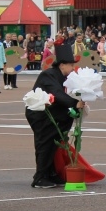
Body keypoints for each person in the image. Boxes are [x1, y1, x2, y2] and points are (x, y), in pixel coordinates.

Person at [25, 44, 82, 189]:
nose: (72, 68)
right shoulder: (49, 74)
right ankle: (40, 177)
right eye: (70, 65)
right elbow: (57, 94)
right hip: (40, 115)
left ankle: (50, 173)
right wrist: (75, 103)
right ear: (62, 65)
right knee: (44, 144)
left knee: (54, 145)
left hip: (52, 113)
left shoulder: (62, 76)